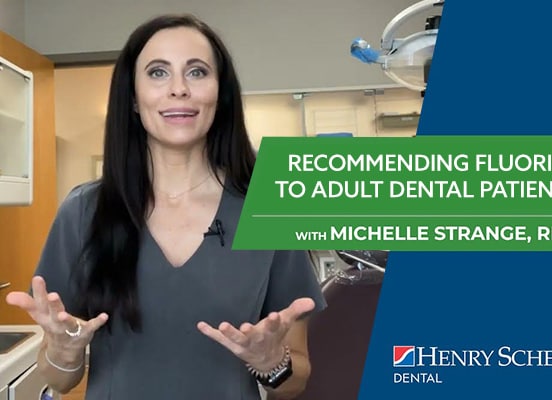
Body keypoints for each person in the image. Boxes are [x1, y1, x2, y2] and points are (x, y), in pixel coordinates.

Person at [5, 13, 326, 400]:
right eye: (158, 73)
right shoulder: (83, 211)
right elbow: (59, 381)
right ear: (134, 100)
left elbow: (297, 379)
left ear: (220, 95)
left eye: (196, 72)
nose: (178, 89)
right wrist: (64, 351)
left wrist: (270, 362)